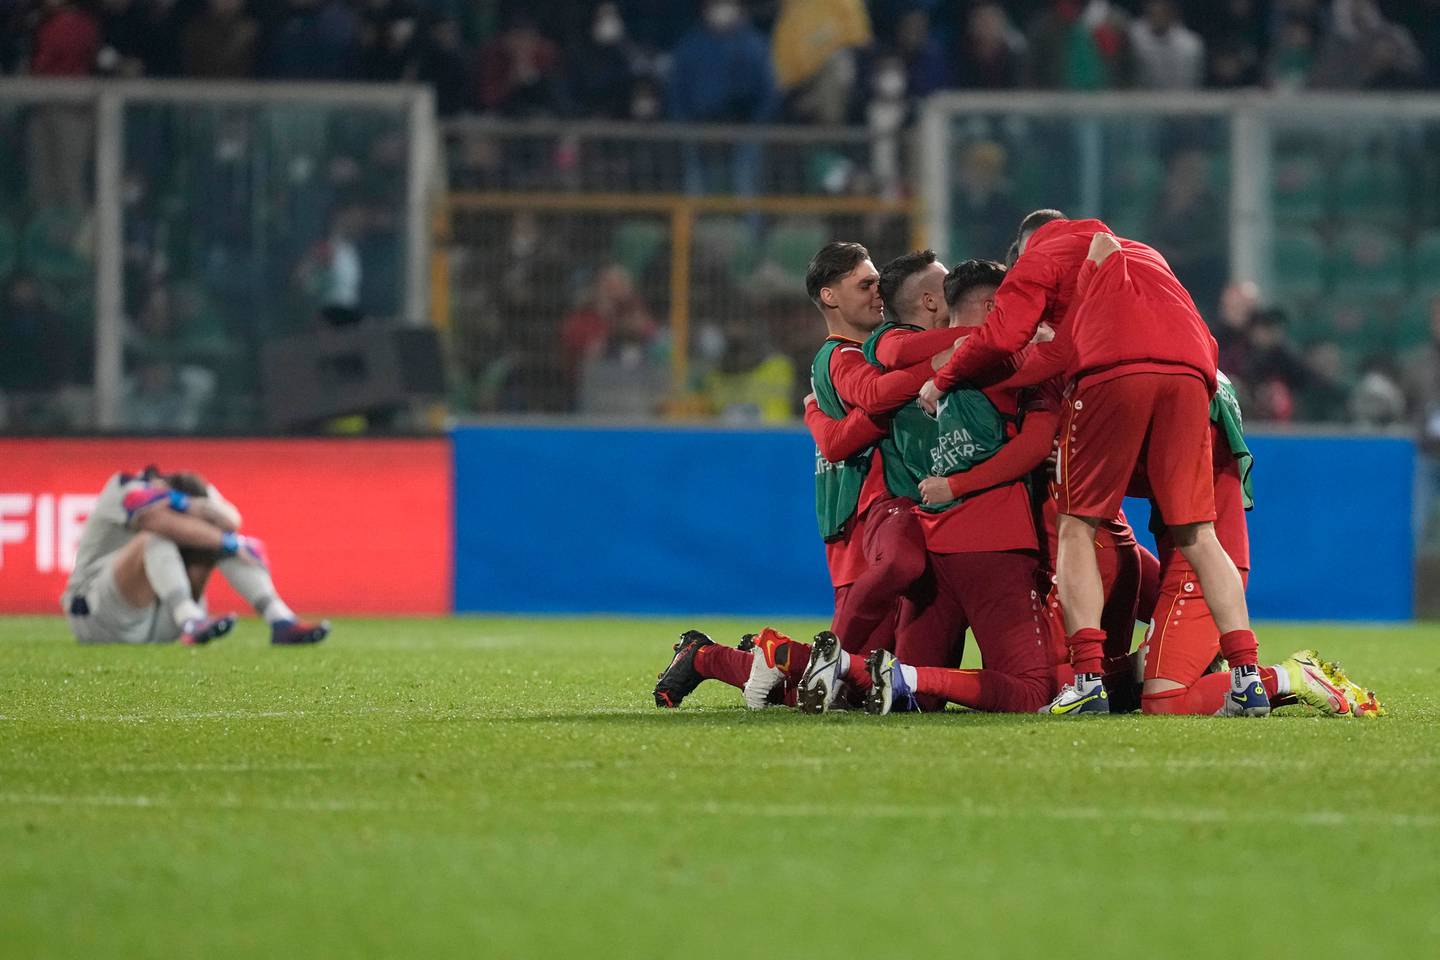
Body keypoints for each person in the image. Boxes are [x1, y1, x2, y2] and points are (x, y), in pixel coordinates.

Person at [927, 210, 1266, 717]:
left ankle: (1087, 681)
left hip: (1113, 372)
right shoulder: (1144, 253)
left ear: (1022, 251)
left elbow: (1003, 338)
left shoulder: (1038, 257)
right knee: (1199, 533)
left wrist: (946, 376)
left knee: (1077, 525)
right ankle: (1247, 676)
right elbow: (1079, 344)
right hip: (1193, 374)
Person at [654, 242, 934, 710]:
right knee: (852, 681)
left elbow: (838, 433)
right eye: (865, 284)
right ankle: (713, 658)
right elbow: (850, 431)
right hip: (863, 525)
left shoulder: (865, 352)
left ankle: (740, 657)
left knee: (871, 682)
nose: (877, 293)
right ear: (829, 296)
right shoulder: (843, 357)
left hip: (878, 521)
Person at [61, 466, 330, 647]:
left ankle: (280, 620)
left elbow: (232, 520)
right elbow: (153, 518)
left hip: (164, 621)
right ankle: (189, 618)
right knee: (157, 536)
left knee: (221, 541)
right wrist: (225, 538)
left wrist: (228, 539)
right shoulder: (125, 485)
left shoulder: (199, 491)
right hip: (98, 618)